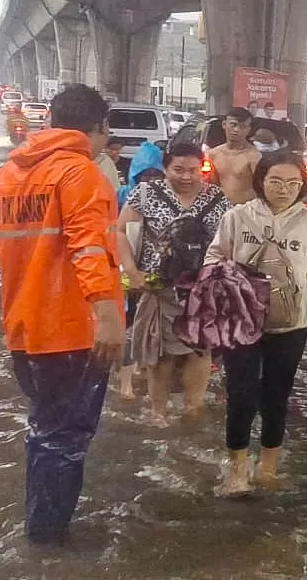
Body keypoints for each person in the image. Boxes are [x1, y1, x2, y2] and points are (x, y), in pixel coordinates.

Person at [0, 84, 124, 545]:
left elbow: (5, 254)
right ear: (100, 127)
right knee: (65, 439)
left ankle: (39, 531)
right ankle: (48, 540)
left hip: (24, 329)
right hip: (70, 331)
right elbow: (90, 248)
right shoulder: (80, 173)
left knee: (43, 431)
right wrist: (107, 317)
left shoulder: (10, 175)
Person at [204, 150, 307, 496]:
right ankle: (236, 469)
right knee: (241, 394)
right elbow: (214, 258)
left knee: (278, 396)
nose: (284, 189)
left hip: (291, 325)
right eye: (276, 181)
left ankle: (268, 467)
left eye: (293, 182)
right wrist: (223, 280)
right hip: (241, 322)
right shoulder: (237, 217)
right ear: (261, 180)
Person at [115, 143, 232, 426]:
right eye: (178, 170)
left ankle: (193, 410)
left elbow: (230, 241)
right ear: (165, 168)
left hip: (204, 292)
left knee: (199, 353)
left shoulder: (218, 199)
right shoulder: (146, 193)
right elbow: (119, 231)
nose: (187, 177)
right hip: (159, 288)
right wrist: (131, 270)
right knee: (160, 354)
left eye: (193, 170)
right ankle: (158, 413)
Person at [115, 142, 165, 399]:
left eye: (156, 176)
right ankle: (125, 385)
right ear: (136, 175)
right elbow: (112, 233)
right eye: (145, 176)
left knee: (153, 323)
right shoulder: (122, 196)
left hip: (156, 273)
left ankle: (143, 368)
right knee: (130, 324)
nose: (150, 181)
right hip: (128, 270)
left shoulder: (168, 200)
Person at [208, 107, 261, 205]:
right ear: (224, 124)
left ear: (248, 129)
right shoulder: (213, 154)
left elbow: (262, 188)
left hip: (244, 211)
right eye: (233, 125)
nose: (236, 130)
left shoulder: (254, 156)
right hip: (220, 210)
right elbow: (211, 185)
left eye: (242, 126)